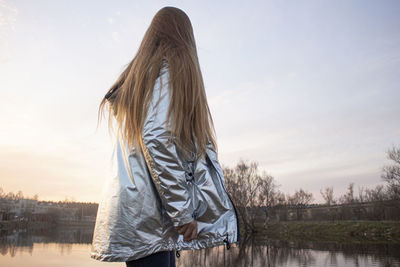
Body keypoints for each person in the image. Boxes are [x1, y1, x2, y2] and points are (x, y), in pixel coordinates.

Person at [90, 6, 240, 266]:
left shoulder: (141, 81)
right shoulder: (166, 71)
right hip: (152, 219)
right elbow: (157, 137)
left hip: (145, 218)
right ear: (184, 38)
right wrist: (182, 213)